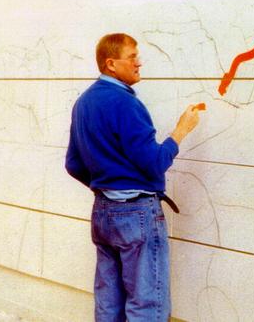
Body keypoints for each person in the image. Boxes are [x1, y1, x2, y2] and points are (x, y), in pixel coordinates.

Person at [65, 33, 201, 321]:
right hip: (137, 213)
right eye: (132, 57)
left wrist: (107, 184)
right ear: (111, 64)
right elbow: (154, 164)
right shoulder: (125, 103)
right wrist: (181, 130)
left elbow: (73, 164)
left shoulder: (84, 102)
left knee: (108, 304)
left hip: (103, 212)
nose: (139, 63)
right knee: (146, 306)